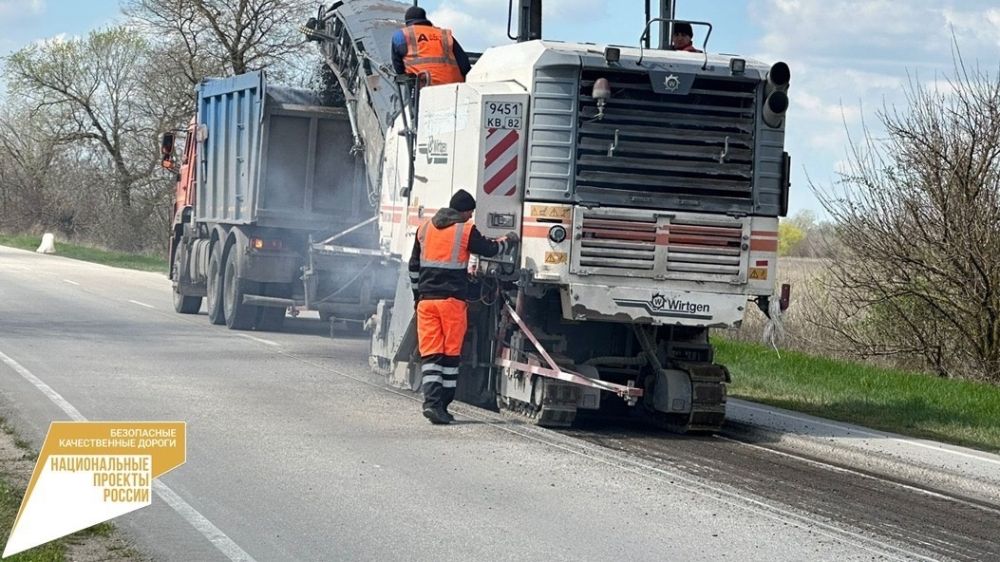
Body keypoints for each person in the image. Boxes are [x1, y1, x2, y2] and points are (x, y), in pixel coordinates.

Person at [408, 189, 518, 424]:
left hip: (426, 303)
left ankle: (431, 403)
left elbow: (413, 268)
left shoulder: (424, 228)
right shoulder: (465, 230)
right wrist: (508, 241)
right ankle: (442, 407)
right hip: (452, 303)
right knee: (449, 357)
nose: (471, 216)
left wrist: (418, 296)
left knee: (430, 355)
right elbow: (490, 249)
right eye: (471, 212)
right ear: (466, 210)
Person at [391, 6, 472, 87]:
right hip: (454, 89)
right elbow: (464, 65)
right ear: (424, 19)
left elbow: (399, 68)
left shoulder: (402, 35)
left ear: (407, 23)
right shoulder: (444, 35)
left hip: (423, 89)